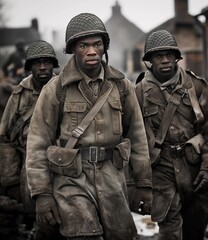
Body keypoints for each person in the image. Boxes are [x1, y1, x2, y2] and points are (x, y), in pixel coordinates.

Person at [25, 13, 152, 240]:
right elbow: (37, 143)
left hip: (113, 179)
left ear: (104, 48)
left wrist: (143, 184)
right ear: (73, 49)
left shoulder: (122, 86)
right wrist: (42, 194)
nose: (92, 51)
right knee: (84, 234)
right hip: (71, 180)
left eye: (97, 44)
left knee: (120, 235)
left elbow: (138, 136)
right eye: (84, 45)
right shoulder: (56, 89)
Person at [135, 30, 208, 240]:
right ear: (149, 61)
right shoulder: (137, 93)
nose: (165, 60)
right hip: (160, 168)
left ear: (177, 57)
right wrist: (139, 180)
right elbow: (132, 137)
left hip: (194, 166)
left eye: (169, 54)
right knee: (170, 230)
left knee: (195, 228)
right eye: (158, 56)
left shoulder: (198, 87)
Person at [0, 40, 64, 240]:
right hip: (28, 167)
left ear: (54, 64)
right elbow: (6, 138)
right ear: (29, 67)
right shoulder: (19, 95)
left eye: (47, 62)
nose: (43, 67)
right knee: (40, 223)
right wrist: (10, 181)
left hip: (62, 165)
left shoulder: (65, 89)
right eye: (37, 63)